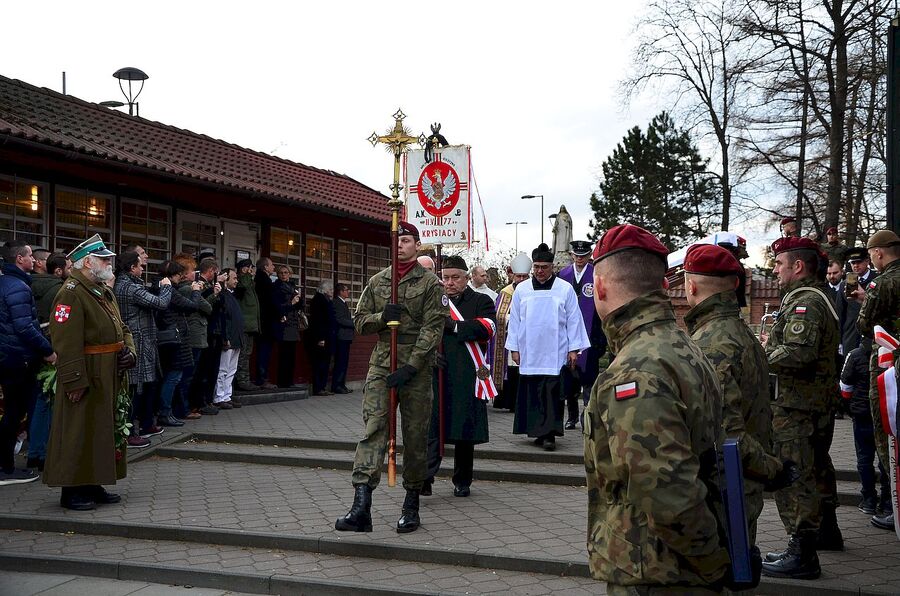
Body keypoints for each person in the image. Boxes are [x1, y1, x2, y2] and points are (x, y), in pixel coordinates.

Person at [584, 224, 730, 594]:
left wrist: (714, 564)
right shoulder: (682, 343)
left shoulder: (636, 368)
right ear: (664, 286)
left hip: (655, 570)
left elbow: (666, 491)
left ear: (600, 287)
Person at [335, 222, 446, 534]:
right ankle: (361, 505)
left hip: (417, 367)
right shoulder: (379, 281)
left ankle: (411, 502)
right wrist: (382, 318)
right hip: (383, 362)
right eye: (397, 241)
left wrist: (411, 366)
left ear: (417, 244)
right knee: (374, 429)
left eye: (407, 240)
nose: (400, 246)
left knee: (414, 435)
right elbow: (359, 322)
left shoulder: (430, 284)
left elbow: (433, 328)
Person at [682, 244, 794, 546]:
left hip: (724, 488)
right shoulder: (739, 332)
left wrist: (772, 468)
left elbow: (726, 433)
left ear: (690, 286)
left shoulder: (711, 343)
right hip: (741, 484)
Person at [760, 236, 840, 580]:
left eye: (779, 264)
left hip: (797, 405)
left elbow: (799, 352)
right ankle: (825, 533)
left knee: (794, 473)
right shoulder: (815, 297)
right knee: (817, 466)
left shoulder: (806, 302)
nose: (774, 270)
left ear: (797, 266)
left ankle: (802, 552)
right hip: (813, 402)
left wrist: (761, 356)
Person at [44, 234, 136, 510]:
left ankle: (93, 483)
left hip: (107, 373)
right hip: (87, 372)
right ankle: (71, 490)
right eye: (104, 259)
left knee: (100, 431)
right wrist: (73, 381)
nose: (110, 263)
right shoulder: (70, 294)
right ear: (87, 261)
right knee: (77, 431)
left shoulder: (102, 291)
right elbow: (64, 342)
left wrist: (129, 352)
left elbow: (123, 328)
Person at [424, 256, 495, 497]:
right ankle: (426, 477)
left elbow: (488, 328)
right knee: (433, 427)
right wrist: (431, 353)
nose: (450, 282)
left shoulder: (481, 300)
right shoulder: (433, 300)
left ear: (466, 278)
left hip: (467, 372)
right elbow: (420, 331)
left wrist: (454, 326)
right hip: (438, 370)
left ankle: (462, 480)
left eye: (455, 278)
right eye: (445, 277)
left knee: (464, 429)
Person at [506, 243, 589, 451]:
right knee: (533, 393)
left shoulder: (564, 289)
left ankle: (550, 434)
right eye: (536, 267)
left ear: (552, 267)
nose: (540, 271)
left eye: (544, 267)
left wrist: (573, 349)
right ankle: (537, 432)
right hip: (530, 351)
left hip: (555, 351)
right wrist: (514, 348)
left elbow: (574, 320)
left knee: (552, 394)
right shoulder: (522, 290)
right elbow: (514, 321)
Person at [854, 229, 900, 531]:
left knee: (887, 432)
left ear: (878, 253)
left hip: (887, 365)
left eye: (871, 254)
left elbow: (864, 324)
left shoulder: (882, 283)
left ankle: (895, 507)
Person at [0, 240, 55, 485]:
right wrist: (47, 350)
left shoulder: (7, 283)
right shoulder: (19, 287)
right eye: (30, 256)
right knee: (14, 412)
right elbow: (24, 326)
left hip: (7, 355)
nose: (34, 260)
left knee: (11, 412)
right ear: (19, 259)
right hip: (17, 358)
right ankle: (6, 467)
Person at [113, 250, 172, 444]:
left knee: (146, 386)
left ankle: (146, 425)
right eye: (140, 265)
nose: (143, 268)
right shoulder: (131, 288)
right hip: (138, 341)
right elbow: (161, 303)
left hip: (140, 340)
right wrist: (166, 287)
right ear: (132, 267)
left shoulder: (123, 285)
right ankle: (131, 432)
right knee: (135, 389)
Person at [557, 240, 606, 429]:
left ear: (589, 256)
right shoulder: (563, 275)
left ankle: (588, 414)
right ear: (572, 255)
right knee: (570, 378)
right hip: (568, 335)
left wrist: (601, 339)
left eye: (583, 256)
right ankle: (572, 417)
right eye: (576, 256)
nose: (579, 259)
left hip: (591, 334)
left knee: (589, 378)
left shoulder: (596, 275)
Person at [840, 339, 891, 516]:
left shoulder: (855, 355)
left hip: (861, 414)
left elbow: (845, 387)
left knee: (864, 458)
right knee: (885, 458)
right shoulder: (889, 353)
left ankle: (869, 499)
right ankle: (887, 502)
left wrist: (850, 408)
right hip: (884, 414)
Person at [154, 260, 205, 426]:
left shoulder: (160, 288)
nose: (179, 278)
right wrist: (196, 292)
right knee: (173, 377)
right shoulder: (168, 290)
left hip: (171, 337)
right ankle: (165, 412)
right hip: (174, 339)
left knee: (172, 376)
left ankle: (167, 411)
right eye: (177, 275)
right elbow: (191, 306)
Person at [179, 255, 221, 418]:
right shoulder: (188, 289)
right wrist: (213, 295)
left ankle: (187, 407)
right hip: (195, 335)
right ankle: (185, 408)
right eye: (192, 271)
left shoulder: (189, 288)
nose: (195, 274)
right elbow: (207, 308)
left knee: (191, 374)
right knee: (189, 375)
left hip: (197, 334)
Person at [490, 253, 531, 412]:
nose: (521, 279)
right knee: (512, 370)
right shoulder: (506, 292)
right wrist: (511, 318)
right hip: (510, 338)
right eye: (518, 276)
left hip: (529, 338)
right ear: (513, 275)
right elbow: (499, 315)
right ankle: (510, 402)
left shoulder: (533, 290)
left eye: (524, 276)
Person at [210, 268, 243, 409]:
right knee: (223, 369)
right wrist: (226, 337)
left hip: (236, 337)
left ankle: (226, 395)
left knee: (231, 370)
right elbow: (224, 318)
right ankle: (219, 397)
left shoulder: (232, 296)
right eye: (234, 278)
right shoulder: (223, 295)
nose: (236, 281)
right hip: (228, 337)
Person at [272, 265, 305, 389]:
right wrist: (291, 303)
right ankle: (283, 381)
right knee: (284, 354)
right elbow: (277, 306)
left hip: (293, 322)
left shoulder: (293, 286)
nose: (283, 275)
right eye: (281, 273)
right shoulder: (276, 287)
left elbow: (300, 304)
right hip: (284, 323)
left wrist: (298, 301)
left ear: (290, 274)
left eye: (286, 272)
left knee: (291, 354)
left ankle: (290, 380)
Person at [234, 258, 261, 392]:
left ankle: (245, 379)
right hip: (244, 324)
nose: (251, 271)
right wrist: (245, 274)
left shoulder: (250, 281)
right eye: (249, 268)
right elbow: (242, 287)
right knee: (243, 354)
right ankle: (242, 381)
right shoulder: (241, 280)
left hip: (250, 325)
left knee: (247, 354)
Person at [307, 279, 336, 395]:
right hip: (321, 338)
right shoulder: (319, 301)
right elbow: (318, 321)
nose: (332, 292)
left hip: (326, 336)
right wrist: (321, 338)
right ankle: (319, 388)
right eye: (330, 289)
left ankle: (322, 387)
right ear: (325, 290)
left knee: (324, 363)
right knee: (320, 363)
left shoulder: (324, 300)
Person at [254, 257, 278, 389]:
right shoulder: (265, 282)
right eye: (271, 265)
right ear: (265, 267)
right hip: (266, 322)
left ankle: (262, 378)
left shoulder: (260, 280)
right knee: (264, 351)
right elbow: (271, 302)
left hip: (263, 321)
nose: (273, 267)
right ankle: (262, 378)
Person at [331, 283, 354, 394]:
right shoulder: (337, 303)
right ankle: (337, 385)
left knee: (344, 362)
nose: (348, 292)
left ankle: (341, 384)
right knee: (340, 362)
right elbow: (339, 319)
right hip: (341, 336)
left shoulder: (343, 303)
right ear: (341, 291)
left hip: (346, 337)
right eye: (346, 290)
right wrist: (354, 323)